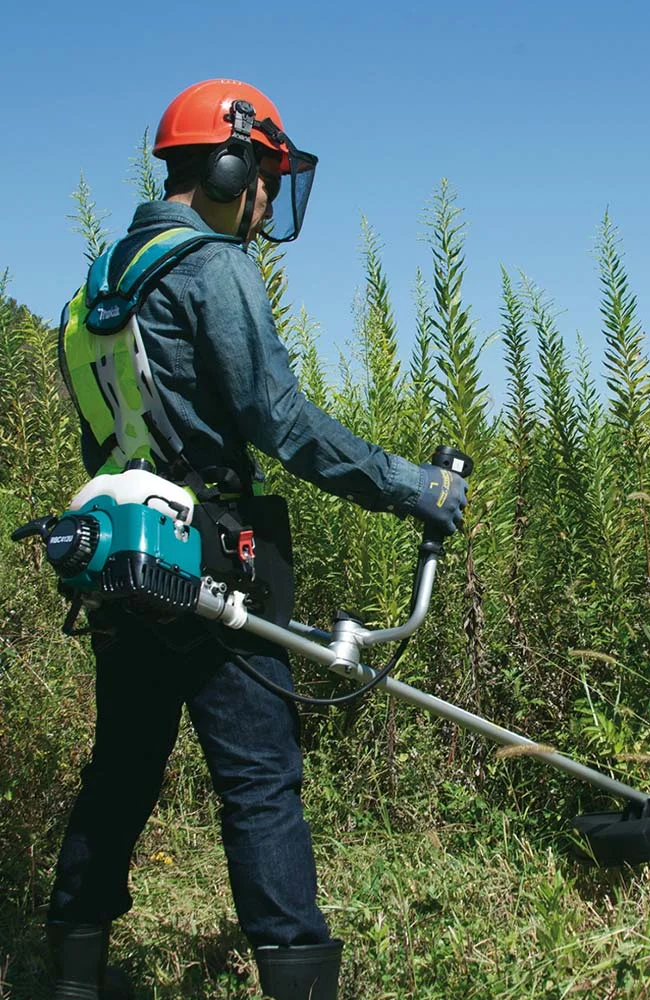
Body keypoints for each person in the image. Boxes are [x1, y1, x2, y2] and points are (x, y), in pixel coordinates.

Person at [46, 79, 468, 1000]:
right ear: (231, 168)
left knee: (122, 769)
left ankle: (71, 973)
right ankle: (298, 977)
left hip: (122, 558)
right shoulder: (211, 266)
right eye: (266, 177)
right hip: (210, 556)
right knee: (261, 780)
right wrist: (415, 488)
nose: (270, 200)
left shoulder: (101, 281)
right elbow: (283, 422)